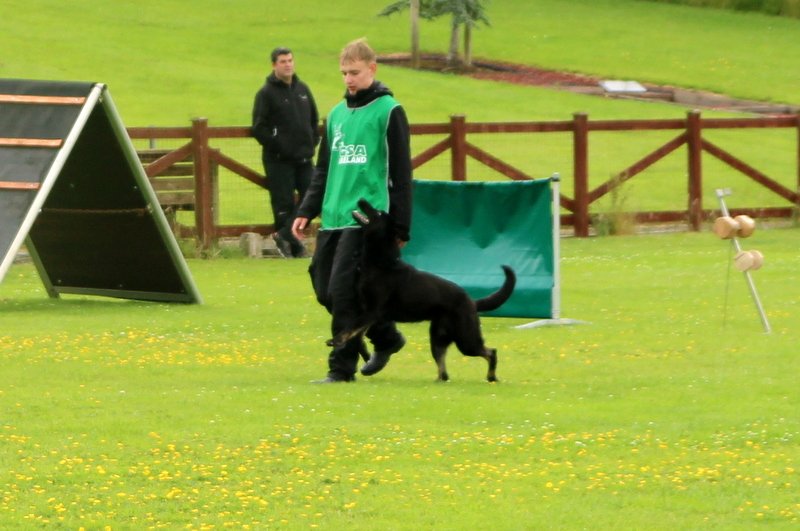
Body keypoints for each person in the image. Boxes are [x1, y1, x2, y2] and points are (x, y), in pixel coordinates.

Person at [292, 38, 413, 383]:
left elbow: (401, 174)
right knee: (324, 290)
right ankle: (385, 335)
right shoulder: (336, 116)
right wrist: (307, 209)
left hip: (367, 217)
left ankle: (340, 369)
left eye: (355, 72)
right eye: (344, 72)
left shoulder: (389, 111)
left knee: (344, 292)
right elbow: (323, 170)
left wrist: (401, 227)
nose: (349, 79)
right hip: (334, 213)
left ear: (372, 69)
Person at [252, 46, 320, 258]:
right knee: (283, 204)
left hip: (304, 158)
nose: (288, 64)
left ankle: (283, 235)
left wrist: (312, 141)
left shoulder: (303, 90)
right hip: (278, 160)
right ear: (274, 65)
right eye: (283, 61)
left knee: (315, 197)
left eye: (290, 60)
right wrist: (279, 145)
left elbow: (313, 120)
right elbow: (259, 128)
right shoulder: (266, 94)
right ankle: (293, 246)